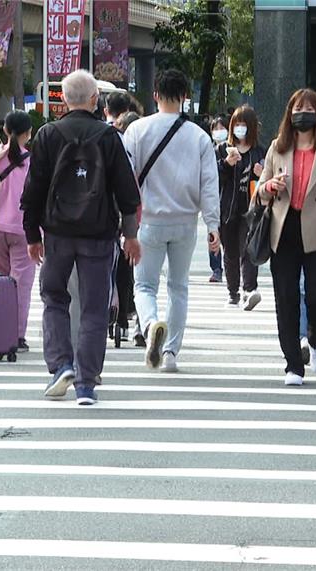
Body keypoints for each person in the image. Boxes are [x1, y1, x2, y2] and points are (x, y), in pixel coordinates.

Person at [22, 70, 142, 405]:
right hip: (98, 235)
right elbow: (127, 192)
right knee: (93, 308)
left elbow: (33, 191)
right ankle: (86, 383)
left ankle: (61, 364)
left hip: (57, 233)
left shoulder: (47, 135)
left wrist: (33, 235)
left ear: (63, 99)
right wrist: (130, 236)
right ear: (94, 100)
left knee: (54, 298)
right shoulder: (108, 138)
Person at [123, 69, 220, 373]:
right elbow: (209, 183)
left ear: (154, 95)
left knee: (144, 285)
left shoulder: (137, 130)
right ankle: (171, 354)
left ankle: (151, 324)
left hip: (148, 221)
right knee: (178, 287)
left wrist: (124, 221)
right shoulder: (199, 136)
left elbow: (126, 178)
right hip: (185, 222)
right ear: (185, 97)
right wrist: (213, 225)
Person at [255, 88, 316, 387]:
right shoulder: (277, 147)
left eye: (308, 108)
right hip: (285, 227)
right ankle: (293, 363)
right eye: (297, 107)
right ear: (289, 112)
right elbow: (260, 187)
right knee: (286, 298)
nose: (302, 113)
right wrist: (268, 188)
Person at [0, 110, 34, 353]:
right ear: (29, 133)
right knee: (20, 285)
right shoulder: (33, 161)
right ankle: (17, 336)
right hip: (23, 230)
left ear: (4, 130)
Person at [216, 105, 265, 309]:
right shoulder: (222, 150)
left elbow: (268, 178)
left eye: (244, 125)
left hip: (251, 208)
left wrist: (261, 173)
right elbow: (214, 178)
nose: (240, 129)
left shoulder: (259, 152)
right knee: (230, 250)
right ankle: (233, 291)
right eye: (236, 125)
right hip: (228, 208)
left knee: (248, 248)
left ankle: (249, 289)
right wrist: (227, 164)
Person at [206, 115, 229, 283]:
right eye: (216, 128)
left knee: (227, 237)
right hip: (213, 199)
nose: (219, 131)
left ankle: (229, 267)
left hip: (229, 199)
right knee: (212, 234)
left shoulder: (233, 149)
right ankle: (216, 269)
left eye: (222, 128)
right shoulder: (208, 150)